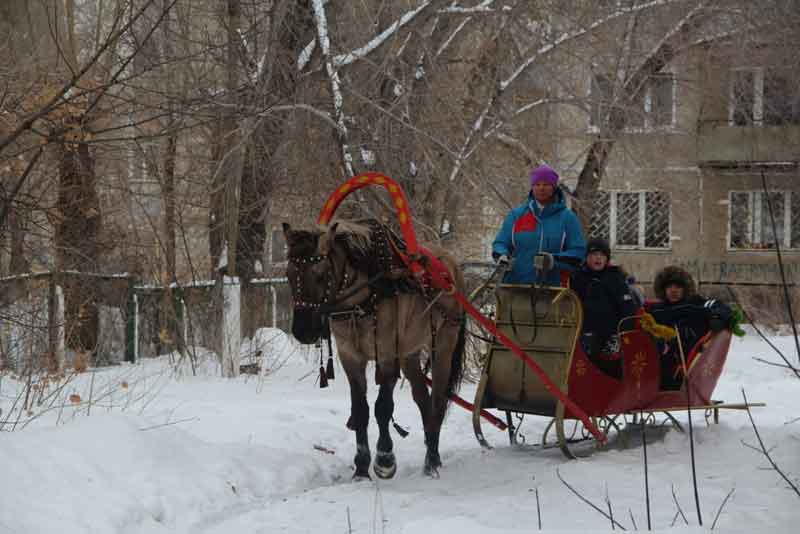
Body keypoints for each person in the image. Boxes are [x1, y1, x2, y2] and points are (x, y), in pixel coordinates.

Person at [492, 165, 586, 286]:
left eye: (546, 184)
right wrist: (501, 255)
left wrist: (553, 260)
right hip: (515, 287)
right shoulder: (516, 215)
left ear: (554, 187)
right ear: (532, 187)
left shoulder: (567, 218)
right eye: (537, 184)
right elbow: (500, 243)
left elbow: (578, 253)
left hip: (552, 291)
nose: (541, 188)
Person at [646, 265, 733, 389]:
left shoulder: (695, 303)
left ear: (685, 289)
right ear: (663, 289)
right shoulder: (656, 310)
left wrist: (717, 317)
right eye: (669, 286)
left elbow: (720, 307)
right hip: (656, 359)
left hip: (683, 364)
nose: (673, 290)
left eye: (678, 287)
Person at [569, 238, 640, 378]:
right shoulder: (578, 278)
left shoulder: (615, 278)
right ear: (587, 257)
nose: (598, 258)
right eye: (594, 254)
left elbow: (628, 310)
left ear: (607, 258)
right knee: (585, 371)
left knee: (610, 368)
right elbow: (571, 305)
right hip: (585, 334)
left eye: (602, 255)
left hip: (612, 335)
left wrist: (620, 336)